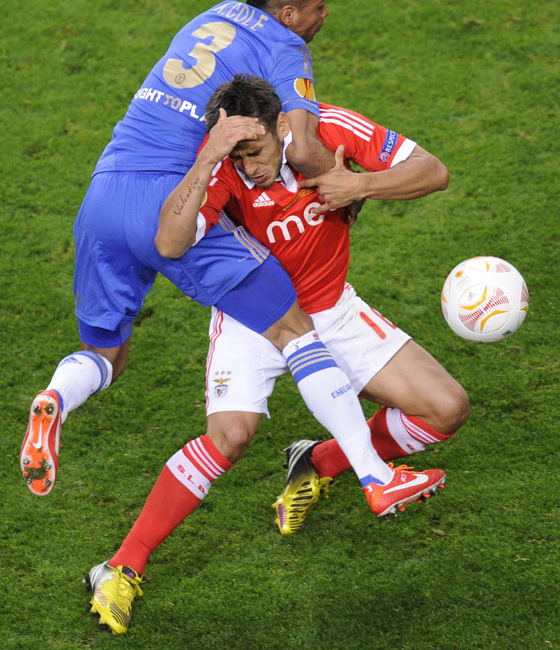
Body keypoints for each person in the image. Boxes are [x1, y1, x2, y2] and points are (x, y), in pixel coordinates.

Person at [83, 75, 467, 635]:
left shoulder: (328, 127)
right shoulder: (221, 164)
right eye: (237, 155)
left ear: (282, 124)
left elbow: (434, 171)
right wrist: (209, 158)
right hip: (253, 317)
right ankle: (121, 566)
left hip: (333, 310)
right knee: (229, 437)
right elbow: (169, 242)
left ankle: (321, 461)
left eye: (256, 151)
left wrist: (360, 185)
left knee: (446, 408)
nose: (250, 166)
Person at [20, 0, 376, 503]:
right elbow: (302, 147)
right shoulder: (286, 47)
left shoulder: (211, 14)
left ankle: (56, 399)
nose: (324, 13)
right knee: (292, 326)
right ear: (287, 13)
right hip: (173, 198)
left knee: (107, 352)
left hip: (103, 197)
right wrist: (350, 187)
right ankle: (373, 473)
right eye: (319, 4)